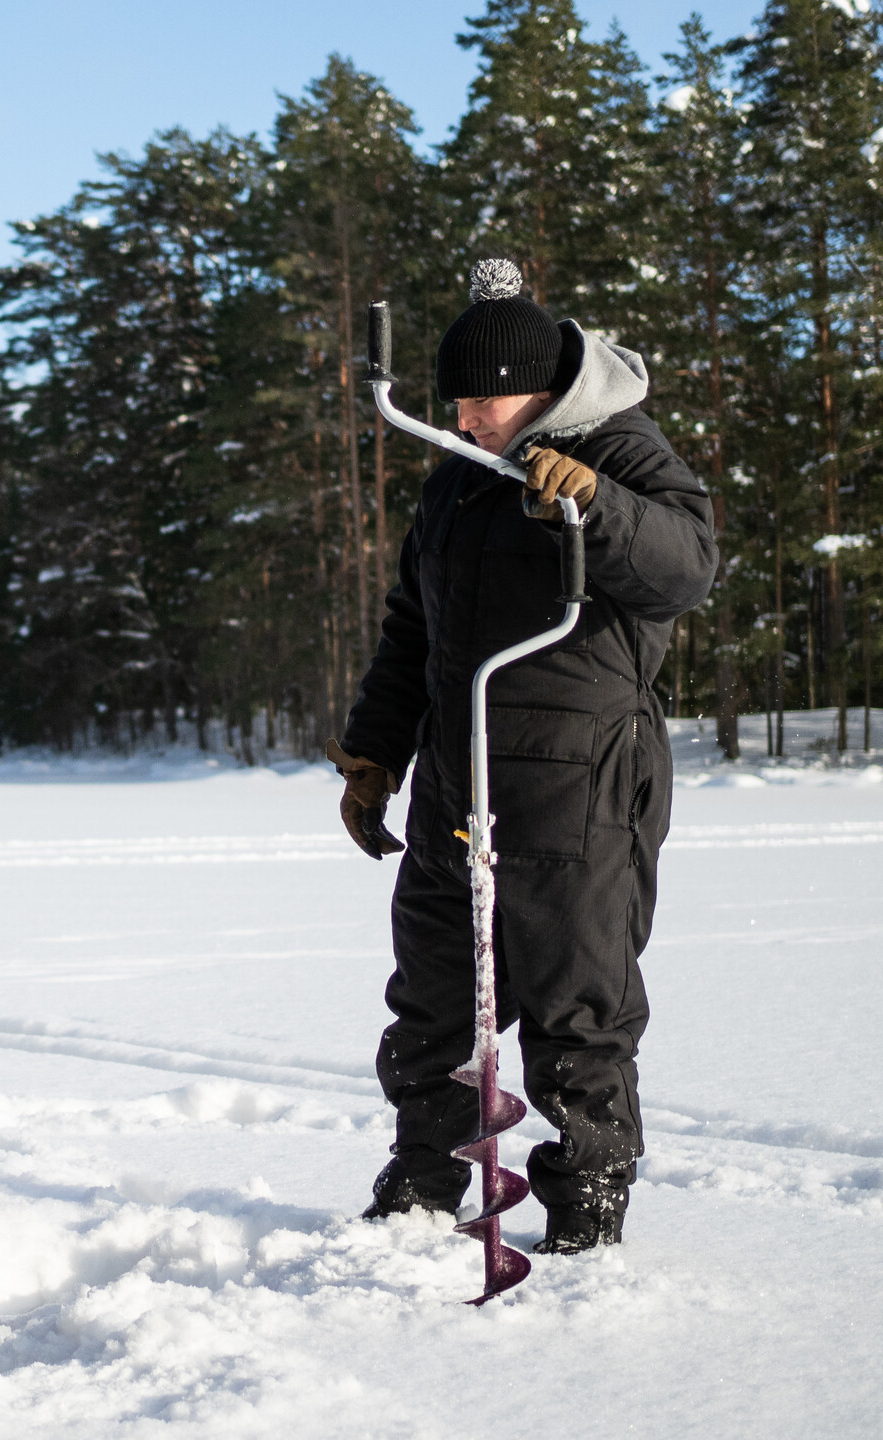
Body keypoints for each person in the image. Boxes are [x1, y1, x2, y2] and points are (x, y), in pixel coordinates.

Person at [329, 259, 716, 1254]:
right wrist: (375, 756)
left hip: (579, 782)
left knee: (574, 1001)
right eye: (453, 402)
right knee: (432, 995)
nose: (463, 419)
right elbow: (413, 628)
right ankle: (426, 1172)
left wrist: (601, 502)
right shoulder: (460, 479)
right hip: (459, 778)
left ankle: (585, 1201)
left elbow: (686, 567)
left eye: (481, 400)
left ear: (539, 389)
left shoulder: (622, 448)